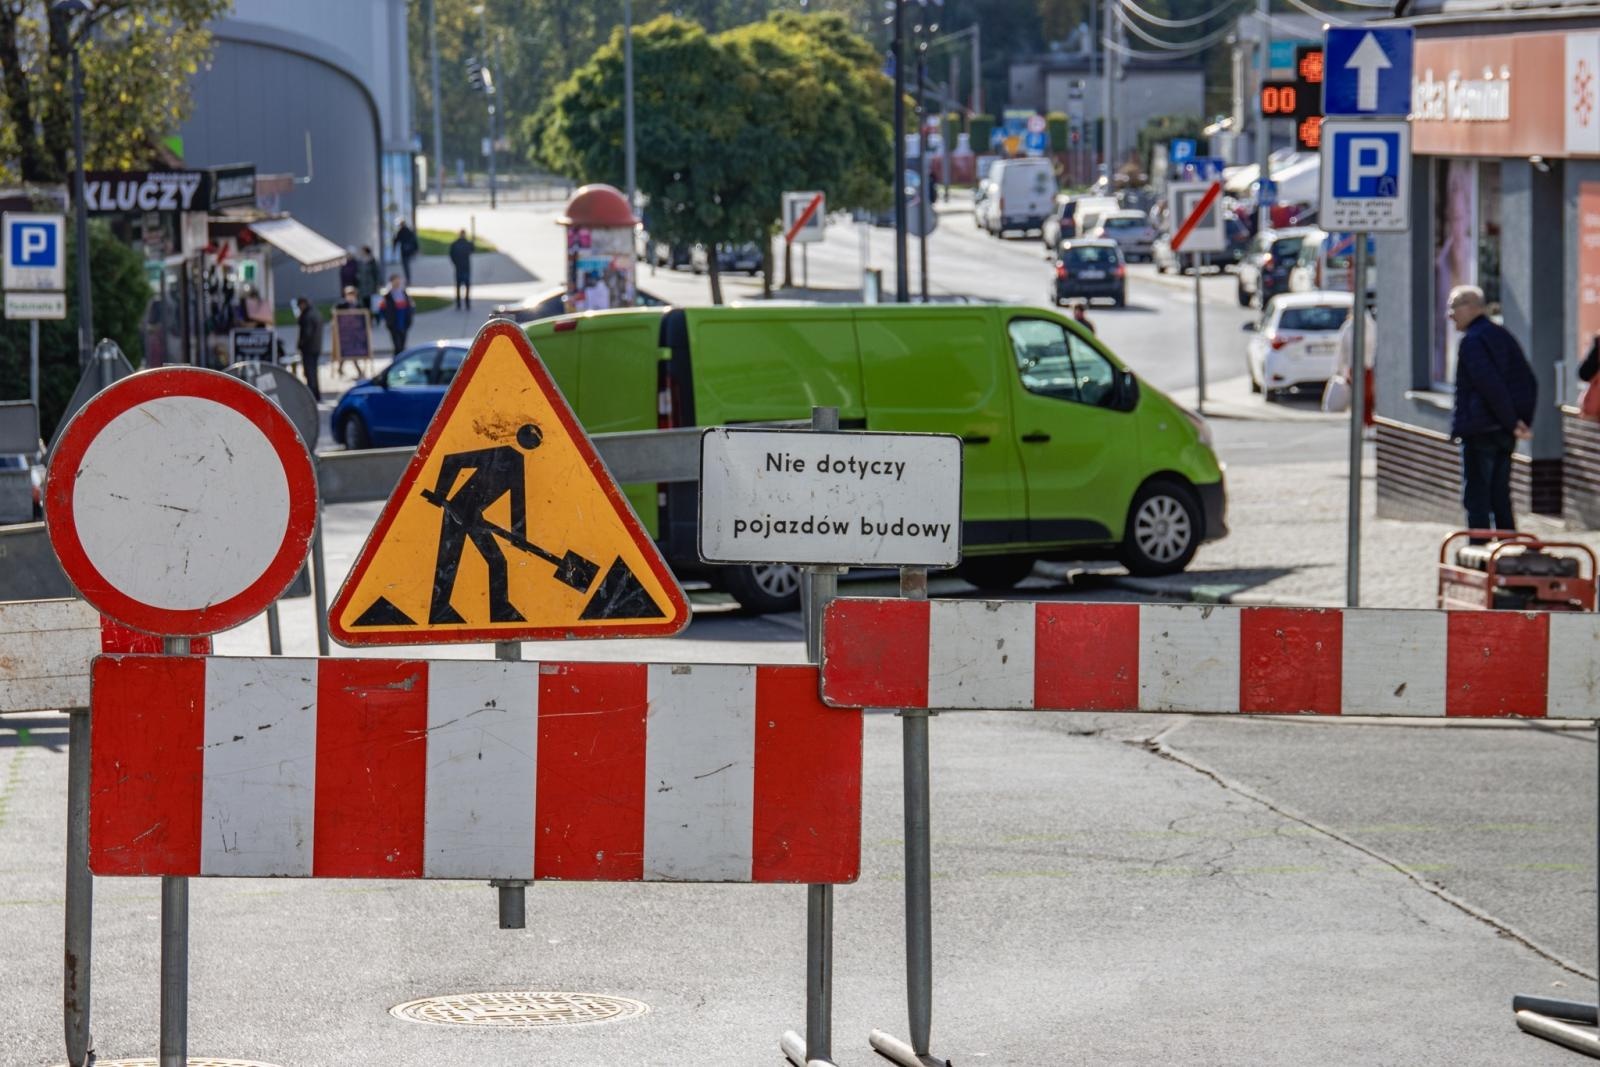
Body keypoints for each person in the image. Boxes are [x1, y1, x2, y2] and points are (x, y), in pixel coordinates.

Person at [1447, 285, 1537, 536]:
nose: (1449, 314)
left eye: (1453, 307)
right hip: (1502, 430)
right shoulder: (1500, 335)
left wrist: (1513, 421)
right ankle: (1508, 552)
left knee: (1477, 497)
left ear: (1471, 307)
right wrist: (1519, 421)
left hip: (1482, 430)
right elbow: (1528, 381)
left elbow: (1490, 386)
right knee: (1499, 496)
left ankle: (1481, 558)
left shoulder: (1473, 340)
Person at [295, 297, 323, 402]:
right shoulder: (316, 313)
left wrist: (300, 344)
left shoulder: (307, 316)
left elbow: (307, 333)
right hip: (316, 347)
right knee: (314, 372)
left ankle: (312, 395)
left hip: (308, 349)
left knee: (309, 373)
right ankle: (316, 394)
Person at [379, 274, 414, 353]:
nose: (397, 283)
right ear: (391, 282)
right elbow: (382, 309)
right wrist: (388, 320)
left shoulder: (404, 293)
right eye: (395, 281)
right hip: (394, 324)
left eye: (398, 280)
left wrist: (409, 318)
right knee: (397, 346)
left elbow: (410, 307)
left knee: (402, 345)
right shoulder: (387, 296)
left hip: (404, 323)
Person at [334, 286, 363, 378]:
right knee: (346, 351)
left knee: (353, 352)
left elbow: (364, 317)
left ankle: (343, 369)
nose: (350, 297)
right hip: (345, 333)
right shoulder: (341, 305)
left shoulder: (358, 305)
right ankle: (356, 370)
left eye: (352, 295)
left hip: (355, 333)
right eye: (348, 295)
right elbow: (335, 314)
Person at [449, 229, 474, 309]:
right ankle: (466, 303)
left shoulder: (455, 244)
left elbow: (451, 255)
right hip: (465, 268)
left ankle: (459, 304)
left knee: (458, 287)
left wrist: (455, 263)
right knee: (466, 286)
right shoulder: (467, 244)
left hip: (459, 268)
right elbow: (473, 249)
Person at [356, 245, 382, 316]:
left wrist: (378, 285)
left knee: (372, 303)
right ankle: (366, 318)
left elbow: (377, 273)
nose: (361, 253)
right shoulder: (360, 262)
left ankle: (374, 317)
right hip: (362, 286)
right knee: (364, 302)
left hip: (371, 285)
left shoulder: (372, 261)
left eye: (362, 251)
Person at [393, 220, 419, 285]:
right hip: (409, 251)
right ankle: (408, 279)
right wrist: (416, 250)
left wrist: (394, 249)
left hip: (404, 251)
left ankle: (408, 280)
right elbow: (415, 241)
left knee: (405, 266)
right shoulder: (409, 231)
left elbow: (396, 240)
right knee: (406, 265)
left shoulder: (401, 232)